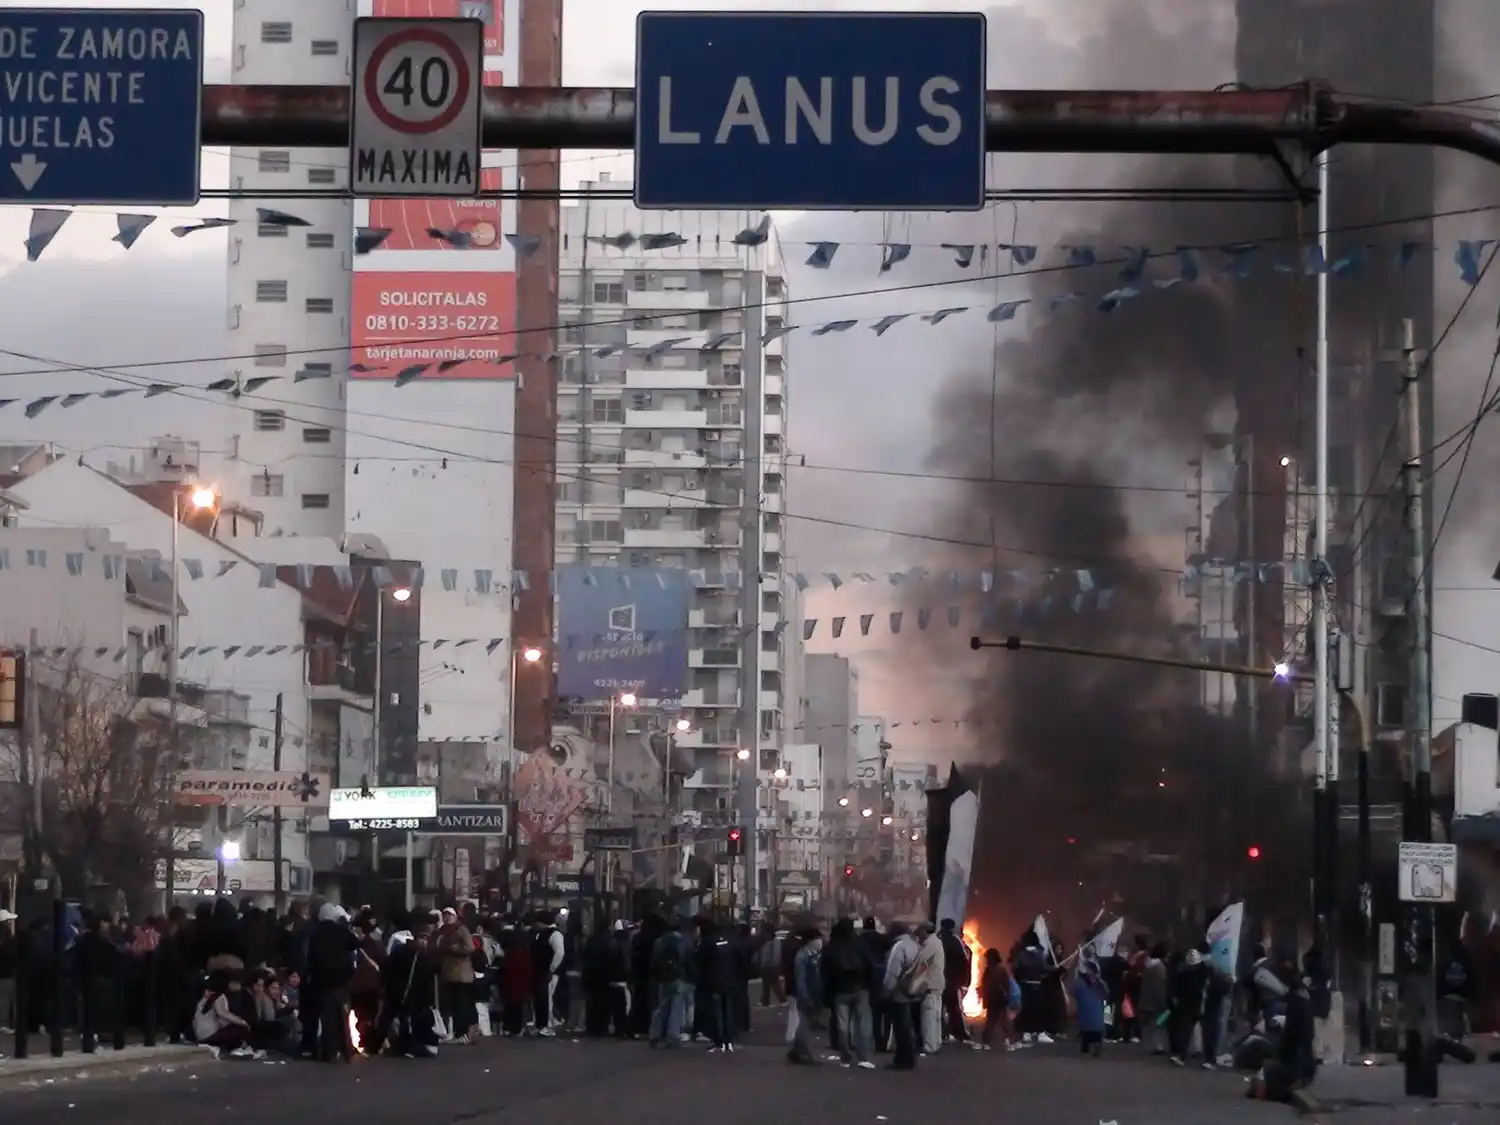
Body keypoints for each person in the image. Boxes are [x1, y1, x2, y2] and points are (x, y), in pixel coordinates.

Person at [825, 919, 877, 1068]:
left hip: (840, 990)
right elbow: (870, 966)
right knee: (863, 1024)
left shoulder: (832, 947)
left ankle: (845, 1057)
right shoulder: (860, 945)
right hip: (861, 989)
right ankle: (864, 1056)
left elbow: (825, 973)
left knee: (842, 1025)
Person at [882, 922, 924, 1070]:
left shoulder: (899, 947)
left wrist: (886, 990)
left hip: (900, 992)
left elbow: (893, 971)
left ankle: (903, 1060)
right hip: (914, 990)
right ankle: (908, 1058)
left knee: (901, 1027)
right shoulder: (916, 945)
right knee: (908, 1026)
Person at [649, 917, 693, 1048]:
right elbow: (687, 959)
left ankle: (655, 1034)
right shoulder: (683, 941)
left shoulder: (659, 941)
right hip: (678, 977)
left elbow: (654, 960)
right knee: (676, 1007)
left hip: (662, 978)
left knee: (661, 1007)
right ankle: (672, 1036)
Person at [193, 973, 257, 1058]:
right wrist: (242, 1022)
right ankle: (252, 1049)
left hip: (200, 1036)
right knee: (242, 1029)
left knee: (232, 1029)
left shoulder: (203, 999)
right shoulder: (219, 996)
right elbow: (223, 1013)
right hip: (210, 1036)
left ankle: (237, 1049)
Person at [787, 928, 825, 1065]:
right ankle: (805, 1053)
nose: (820, 941)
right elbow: (800, 979)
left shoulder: (815, 954)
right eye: (818, 939)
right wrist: (805, 996)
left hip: (816, 994)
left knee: (806, 1024)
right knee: (806, 1025)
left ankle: (797, 1051)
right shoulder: (802, 956)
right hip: (808, 995)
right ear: (810, 940)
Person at [937, 918, 971, 1045]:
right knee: (953, 1009)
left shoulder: (937, 940)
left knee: (939, 1008)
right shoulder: (955, 941)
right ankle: (958, 1033)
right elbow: (964, 960)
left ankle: (942, 1033)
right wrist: (963, 980)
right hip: (951, 981)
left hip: (939, 979)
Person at [978, 948, 1015, 1051]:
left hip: (992, 1000)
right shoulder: (1001, 970)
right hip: (1000, 1000)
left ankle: (986, 1042)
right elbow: (1007, 985)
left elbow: (985, 986)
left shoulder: (988, 971)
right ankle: (1007, 1041)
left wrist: (984, 999)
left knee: (991, 1021)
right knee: (1003, 1021)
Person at [1073, 958, 1108, 1057]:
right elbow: (1106, 994)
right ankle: (1093, 1046)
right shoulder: (1097, 983)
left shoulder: (1082, 983)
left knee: (1089, 1028)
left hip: (1089, 1013)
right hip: (1093, 1013)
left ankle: (1089, 1046)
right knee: (1092, 1029)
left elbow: (1073, 991)